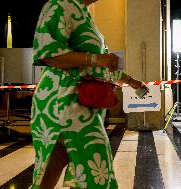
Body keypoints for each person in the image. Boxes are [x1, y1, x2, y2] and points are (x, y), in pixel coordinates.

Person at [30, 0, 146, 188]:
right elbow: (47, 53)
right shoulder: (59, 5)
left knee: (53, 162)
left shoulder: (83, 12)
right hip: (63, 100)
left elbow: (100, 66)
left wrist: (130, 81)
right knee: (96, 158)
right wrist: (96, 58)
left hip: (79, 101)